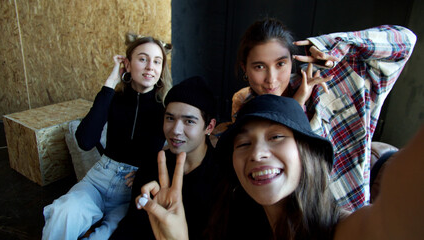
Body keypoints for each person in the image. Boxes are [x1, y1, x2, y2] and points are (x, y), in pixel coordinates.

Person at [136, 94, 424, 240]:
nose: (258, 153)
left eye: (276, 137)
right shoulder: (232, 224)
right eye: (243, 144)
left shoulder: (340, 229)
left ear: (306, 153)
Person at [230, 18, 417, 210]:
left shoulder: (331, 78)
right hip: (296, 220)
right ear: (245, 68)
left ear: (292, 61)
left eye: (280, 64)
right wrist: (296, 105)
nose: (271, 79)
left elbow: (406, 40)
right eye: (259, 67)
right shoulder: (246, 108)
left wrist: (331, 45)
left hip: (349, 210)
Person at [42, 34, 172, 240]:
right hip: (99, 179)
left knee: (110, 236)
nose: (150, 67)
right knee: (64, 213)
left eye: (157, 61)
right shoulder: (113, 98)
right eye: (143, 59)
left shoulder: (166, 107)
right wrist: (110, 83)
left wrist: (151, 172)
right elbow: (85, 141)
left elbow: (180, 147)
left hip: (133, 190)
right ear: (127, 65)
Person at [110, 76, 219, 239]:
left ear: (209, 126)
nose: (176, 130)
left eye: (189, 121)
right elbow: (130, 227)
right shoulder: (152, 166)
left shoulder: (224, 175)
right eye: (170, 118)